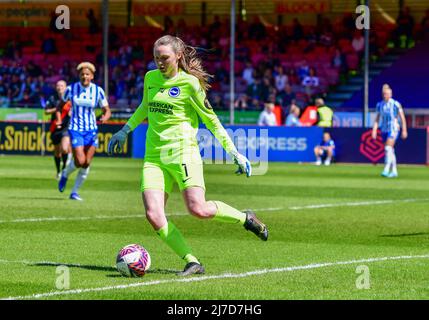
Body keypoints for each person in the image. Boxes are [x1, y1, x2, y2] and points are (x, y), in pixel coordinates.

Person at [107, 35, 268, 277]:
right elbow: (145, 106)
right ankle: (192, 261)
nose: (159, 63)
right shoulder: (150, 78)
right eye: (156, 58)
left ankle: (245, 218)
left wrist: (234, 153)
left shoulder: (190, 84)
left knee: (198, 209)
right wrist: (124, 130)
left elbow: (211, 121)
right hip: (154, 157)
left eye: (164, 58)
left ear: (178, 56)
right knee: (153, 214)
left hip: (183, 154)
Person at [58, 62, 111, 200]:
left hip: (91, 130)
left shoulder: (98, 91)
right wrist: (59, 118)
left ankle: (74, 192)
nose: (84, 76)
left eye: (87, 74)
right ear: (79, 76)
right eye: (82, 74)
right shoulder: (71, 89)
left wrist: (105, 116)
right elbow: (60, 106)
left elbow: (107, 109)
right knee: (80, 161)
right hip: (75, 129)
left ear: (92, 76)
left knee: (87, 162)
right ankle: (65, 174)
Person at [372, 84, 408, 178]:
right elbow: (377, 118)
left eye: (387, 94)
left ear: (390, 94)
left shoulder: (395, 104)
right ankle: (394, 171)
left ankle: (386, 168)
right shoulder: (380, 105)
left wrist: (404, 130)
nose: (385, 95)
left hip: (393, 128)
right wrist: (374, 130)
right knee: (390, 150)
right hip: (384, 129)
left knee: (388, 148)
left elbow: (402, 118)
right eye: (384, 94)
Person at [44, 80, 72, 179]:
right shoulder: (52, 98)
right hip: (55, 127)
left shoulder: (70, 98)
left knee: (64, 148)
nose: (59, 87)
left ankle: (64, 168)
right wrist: (57, 109)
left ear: (65, 87)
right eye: (58, 85)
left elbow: (74, 109)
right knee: (57, 151)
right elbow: (46, 111)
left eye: (61, 85)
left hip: (66, 127)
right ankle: (58, 171)